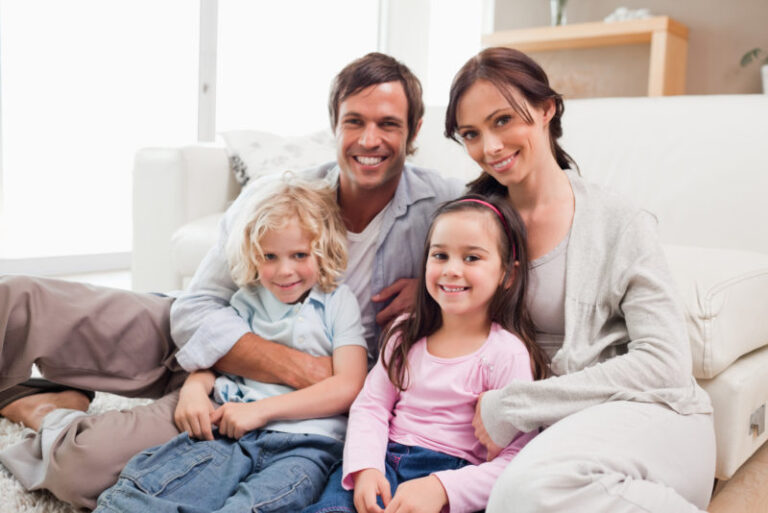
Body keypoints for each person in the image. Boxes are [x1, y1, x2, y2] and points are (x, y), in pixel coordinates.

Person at [0, 52, 462, 509]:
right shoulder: (278, 196)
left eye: (388, 124)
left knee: (83, 467)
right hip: (214, 334)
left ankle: (43, 409)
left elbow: (492, 263)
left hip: (263, 400)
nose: (369, 139)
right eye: (355, 121)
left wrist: (428, 296)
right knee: (17, 297)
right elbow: (198, 307)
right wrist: (267, 369)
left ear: (415, 131)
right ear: (334, 126)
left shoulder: (440, 207)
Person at [443, 47, 715, 512]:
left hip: (647, 415)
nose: (489, 147)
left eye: (503, 120)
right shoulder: (473, 221)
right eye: (471, 133)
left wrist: (513, 406)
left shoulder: (618, 220)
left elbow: (665, 363)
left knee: (523, 494)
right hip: (552, 433)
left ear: (547, 109)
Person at [94, 176, 369, 512]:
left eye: (299, 255)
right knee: (141, 489)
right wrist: (194, 390)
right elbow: (215, 362)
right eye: (270, 256)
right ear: (253, 256)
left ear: (322, 250)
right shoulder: (246, 301)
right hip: (231, 434)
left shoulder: (337, 302)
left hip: (307, 444)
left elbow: (350, 385)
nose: (285, 271)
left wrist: (259, 411)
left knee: (251, 506)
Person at [304, 195, 549, 513]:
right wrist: (365, 468)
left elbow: (516, 457)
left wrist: (443, 489)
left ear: (507, 275)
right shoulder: (404, 333)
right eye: (440, 255)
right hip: (382, 462)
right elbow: (372, 406)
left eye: (472, 258)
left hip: (450, 480)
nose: (451, 270)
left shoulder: (506, 354)